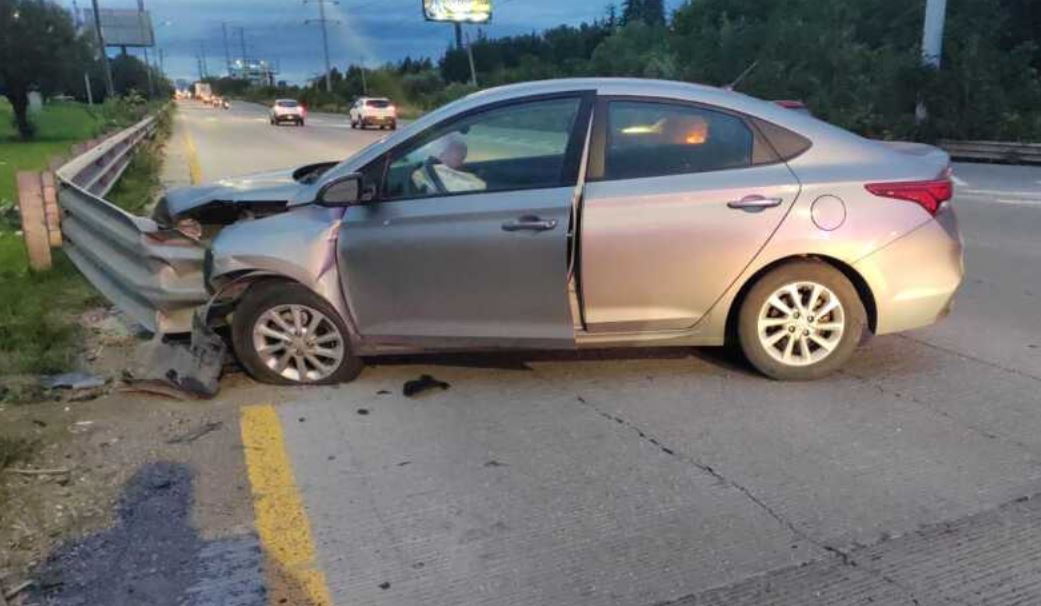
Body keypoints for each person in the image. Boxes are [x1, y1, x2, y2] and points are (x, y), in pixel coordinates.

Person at [411, 133, 487, 194]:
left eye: (462, 156)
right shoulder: (432, 171)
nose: (462, 156)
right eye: (457, 154)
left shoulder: (456, 170)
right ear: (442, 155)